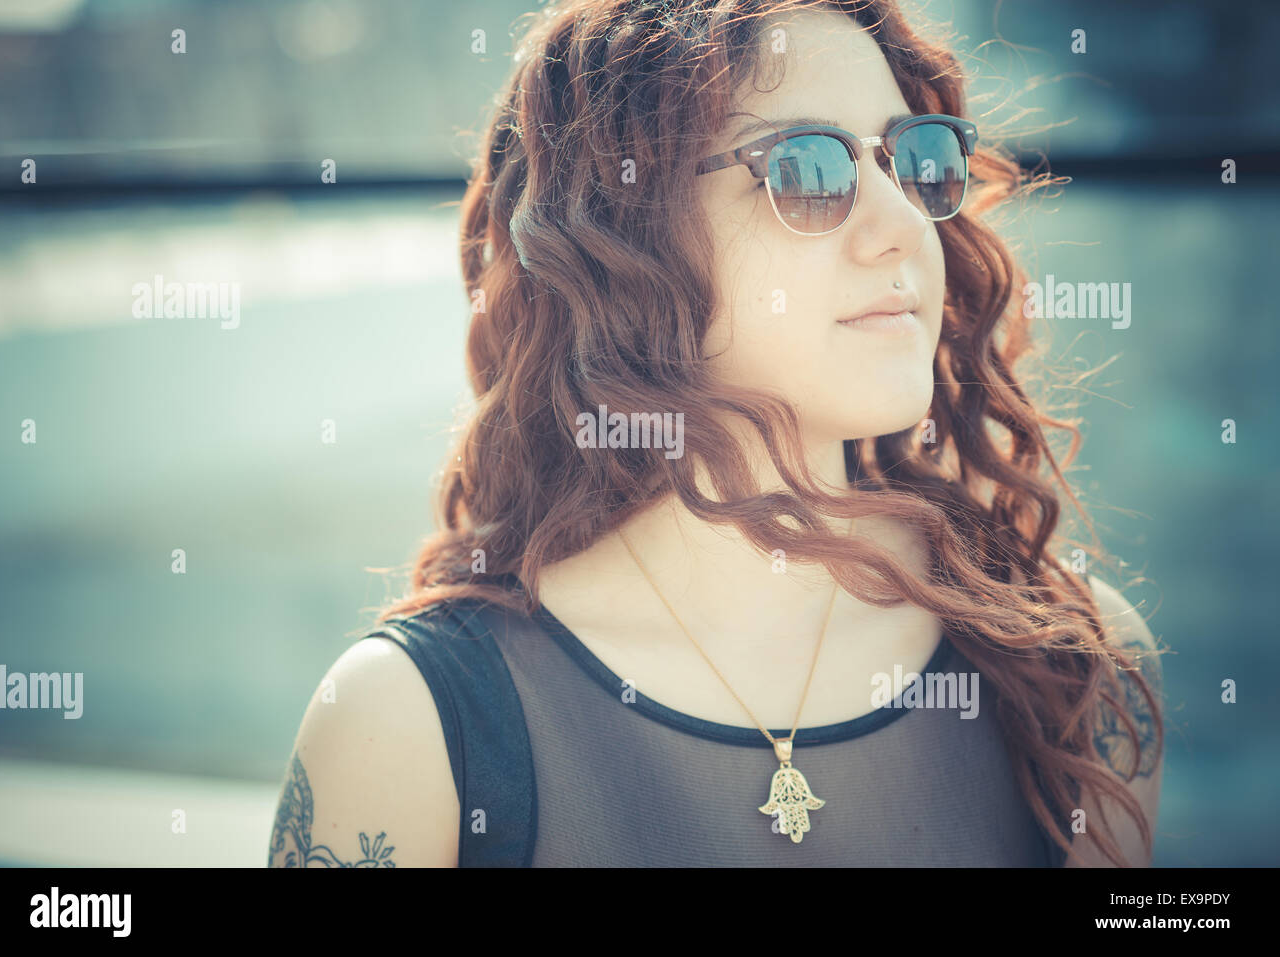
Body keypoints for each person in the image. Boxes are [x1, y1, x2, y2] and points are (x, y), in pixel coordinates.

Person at [268, 0, 1164, 868]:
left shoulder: (1070, 666)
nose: (902, 228)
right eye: (810, 171)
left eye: (914, 161)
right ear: (623, 234)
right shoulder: (410, 725)